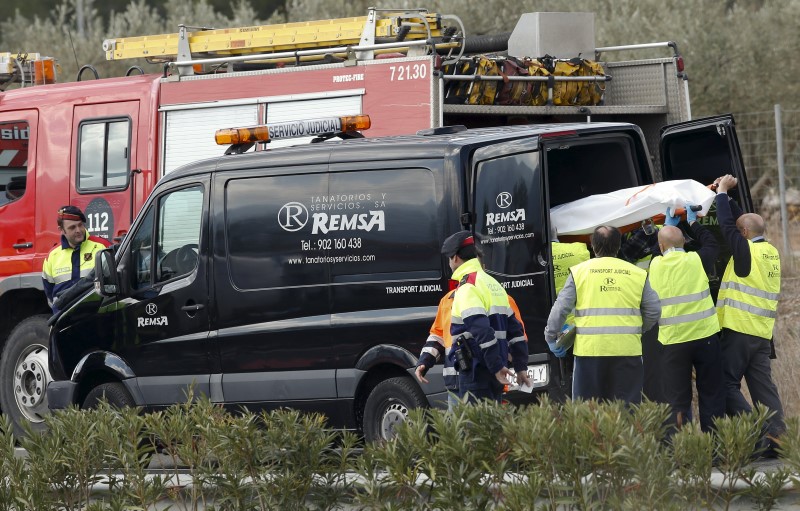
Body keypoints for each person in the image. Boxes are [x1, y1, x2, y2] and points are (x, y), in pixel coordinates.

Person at [544, 225, 661, 403]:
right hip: (627, 351)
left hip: (589, 353)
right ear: (619, 245)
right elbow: (653, 310)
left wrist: (551, 337)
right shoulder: (637, 274)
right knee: (627, 410)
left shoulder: (579, 272)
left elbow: (561, 308)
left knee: (588, 413)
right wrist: (637, 329)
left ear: (593, 245)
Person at [714, 174, 784, 453]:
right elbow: (742, 223)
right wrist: (728, 198)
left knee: (725, 383)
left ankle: (754, 432)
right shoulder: (771, 252)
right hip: (762, 333)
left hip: (739, 330)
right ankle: (778, 440)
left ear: (743, 234)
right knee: (764, 388)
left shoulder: (744, 250)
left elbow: (727, 225)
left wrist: (720, 193)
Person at [648, 206, 723, 432]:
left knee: (678, 400)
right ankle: (717, 450)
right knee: (711, 394)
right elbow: (712, 244)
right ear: (684, 243)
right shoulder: (697, 260)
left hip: (673, 343)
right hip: (706, 337)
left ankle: (683, 450)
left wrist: (667, 226)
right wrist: (692, 223)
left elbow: (659, 249)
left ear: (661, 247)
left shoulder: (655, 264)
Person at [442, 231, 530, 403]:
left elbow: (482, 331)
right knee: (492, 425)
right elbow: (516, 331)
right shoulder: (493, 283)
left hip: (476, 373)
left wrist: (496, 367)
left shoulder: (467, 286)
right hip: (494, 372)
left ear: (454, 258)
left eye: (449, 258)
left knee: (475, 428)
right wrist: (521, 367)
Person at [414, 289, 527, 408]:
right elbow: (438, 336)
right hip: (455, 386)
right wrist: (425, 361)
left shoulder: (500, 297)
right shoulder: (448, 300)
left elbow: (517, 338)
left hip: (484, 384)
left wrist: (503, 364)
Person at [42, 206, 111, 314]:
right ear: (61, 230)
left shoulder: (102, 246)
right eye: (72, 227)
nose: (78, 230)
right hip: (65, 320)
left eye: (80, 225)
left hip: (97, 318)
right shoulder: (52, 256)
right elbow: (50, 295)